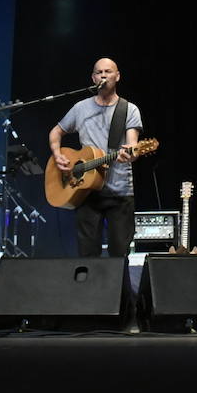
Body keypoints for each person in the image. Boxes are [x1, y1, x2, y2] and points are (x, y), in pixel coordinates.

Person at [49, 58, 143, 257]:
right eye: (99, 72)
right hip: (86, 192)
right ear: (93, 78)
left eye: (108, 71)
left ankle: (122, 289)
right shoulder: (80, 108)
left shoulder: (129, 109)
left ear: (117, 76)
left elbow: (133, 144)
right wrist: (58, 155)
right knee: (88, 255)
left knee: (120, 255)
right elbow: (56, 132)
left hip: (120, 192)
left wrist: (131, 153)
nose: (103, 75)